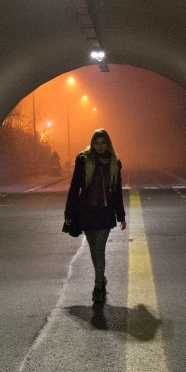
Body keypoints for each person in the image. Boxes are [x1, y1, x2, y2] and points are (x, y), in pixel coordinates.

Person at [64, 129, 127, 304]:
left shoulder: (114, 162)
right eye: (97, 143)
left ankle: (98, 285)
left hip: (105, 213)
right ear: (92, 144)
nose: (100, 146)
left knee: (99, 249)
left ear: (108, 144)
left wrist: (121, 215)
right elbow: (74, 187)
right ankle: (102, 278)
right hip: (87, 212)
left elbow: (117, 191)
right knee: (94, 250)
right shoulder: (83, 160)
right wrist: (68, 213)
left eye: (103, 143)